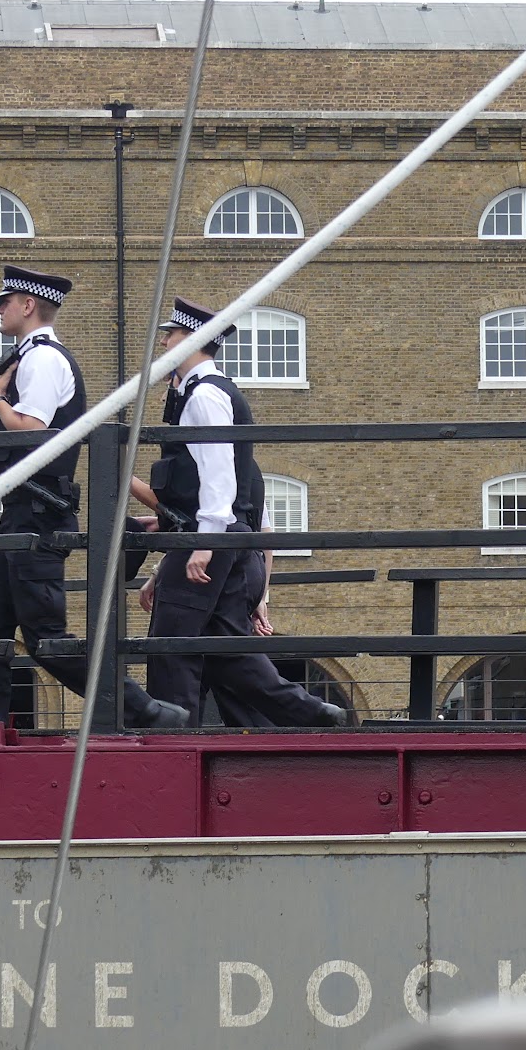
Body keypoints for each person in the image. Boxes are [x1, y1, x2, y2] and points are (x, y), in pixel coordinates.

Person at [0, 265, 188, 730]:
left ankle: (146, 710)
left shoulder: (43, 359)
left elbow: (32, 429)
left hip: (37, 517)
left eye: (5, 302)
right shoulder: (31, 356)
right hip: (23, 514)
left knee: (47, 639)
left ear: (28, 305)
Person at [136, 297, 351, 727]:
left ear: (192, 339)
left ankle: (172, 742)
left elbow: (217, 472)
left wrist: (206, 541)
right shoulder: (204, 392)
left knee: (171, 647)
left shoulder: (205, 395)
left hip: (210, 537)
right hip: (225, 538)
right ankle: (313, 713)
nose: (164, 342)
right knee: (229, 652)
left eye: (172, 334)